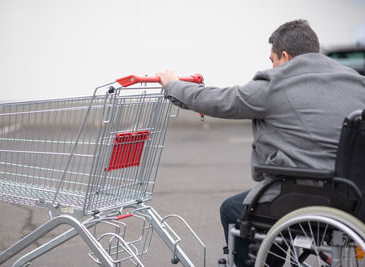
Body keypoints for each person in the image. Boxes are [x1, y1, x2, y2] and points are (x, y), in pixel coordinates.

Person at [156, 19, 365, 266]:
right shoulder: (355, 82)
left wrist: (173, 86)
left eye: (272, 60)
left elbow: (221, 100)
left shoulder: (277, 84)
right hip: (354, 198)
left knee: (233, 210)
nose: (272, 66)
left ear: (285, 56)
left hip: (305, 194)